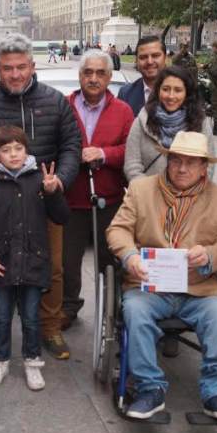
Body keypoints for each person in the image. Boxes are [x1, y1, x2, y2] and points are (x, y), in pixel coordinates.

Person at [106, 131, 217, 420]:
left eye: (191, 163)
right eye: (176, 161)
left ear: (204, 167)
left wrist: (209, 255)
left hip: (199, 288)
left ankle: (216, 392)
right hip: (148, 285)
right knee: (136, 312)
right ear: (167, 162)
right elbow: (118, 230)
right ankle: (149, 388)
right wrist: (130, 256)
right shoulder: (141, 190)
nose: (182, 168)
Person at [0, 33, 82, 360]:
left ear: (32, 66)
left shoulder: (55, 101)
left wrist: (60, 181)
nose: (15, 74)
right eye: (7, 68)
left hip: (43, 199)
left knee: (51, 268)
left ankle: (50, 328)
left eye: (21, 67)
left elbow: (72, 146)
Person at [0, 126, 69, 390]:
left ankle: (32, 362)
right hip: (1, 262)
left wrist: (53, 193)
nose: (13, 154)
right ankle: (0, 361)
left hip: (33, 260)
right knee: (2, 316)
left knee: (31, 317)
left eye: (18, 148)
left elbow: (61, 216)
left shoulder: (40, 180)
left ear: (27, 150)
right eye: (6, 150)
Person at [61, 51, 133, 330]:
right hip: (70, 199)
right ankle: (69, 306)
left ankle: (110, 308)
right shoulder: (64, 105)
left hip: (110, 199)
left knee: (110, 258)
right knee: (68, 260)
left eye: (100, 73)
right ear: (79, 76)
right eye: (88, 72)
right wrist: (73, 156)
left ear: (109, 77)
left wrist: (103, 154)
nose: (93, 78)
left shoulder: (123, 110)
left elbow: (130, 149)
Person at [124, 66, 215, 182]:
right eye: (166, 89)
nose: (171, 96)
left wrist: (187, 192)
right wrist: (147, 190)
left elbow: (208, 167)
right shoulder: (143, 120)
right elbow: (132, 165)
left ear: (187, 93)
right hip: (146, 191)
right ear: (158, 90)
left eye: (178, 90)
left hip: (189, 193)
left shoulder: (200, 122)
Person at [117, 36, 166, 118]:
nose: (150, 62)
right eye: (143, 57)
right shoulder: (125, 94)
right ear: (136, 61)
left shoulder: (183, 92)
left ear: (165, 58)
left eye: (155, 56)